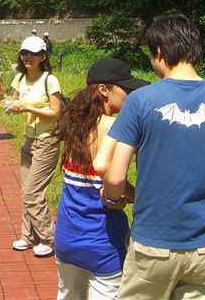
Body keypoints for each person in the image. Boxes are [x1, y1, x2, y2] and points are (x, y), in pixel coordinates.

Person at [97, 13, 205, 300]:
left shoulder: (140, 101)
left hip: (153, 245)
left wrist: (112, 197)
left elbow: (115, 177)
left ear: (159, 52)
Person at [55, 58, 149, 300]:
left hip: (67, 234)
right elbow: (113, 179)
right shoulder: (116, 126)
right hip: (103, 239)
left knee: (68, 295)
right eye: (126, 89)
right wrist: (135, 197)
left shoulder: (73, 123)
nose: (130, 95)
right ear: (103, 90)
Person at [0, 35, 61, 257]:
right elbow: (12, 106)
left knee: (32, 192)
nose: (27, 57)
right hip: (28, 140)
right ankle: (28, 236)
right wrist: (2, 95)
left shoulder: (49, 80)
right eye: (24, 53)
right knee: (26, 192)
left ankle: (50, 238)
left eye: (32, 54)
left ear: (43, 56)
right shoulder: (20, 78)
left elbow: (55, 112)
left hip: (47, 141)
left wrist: (29, 109)